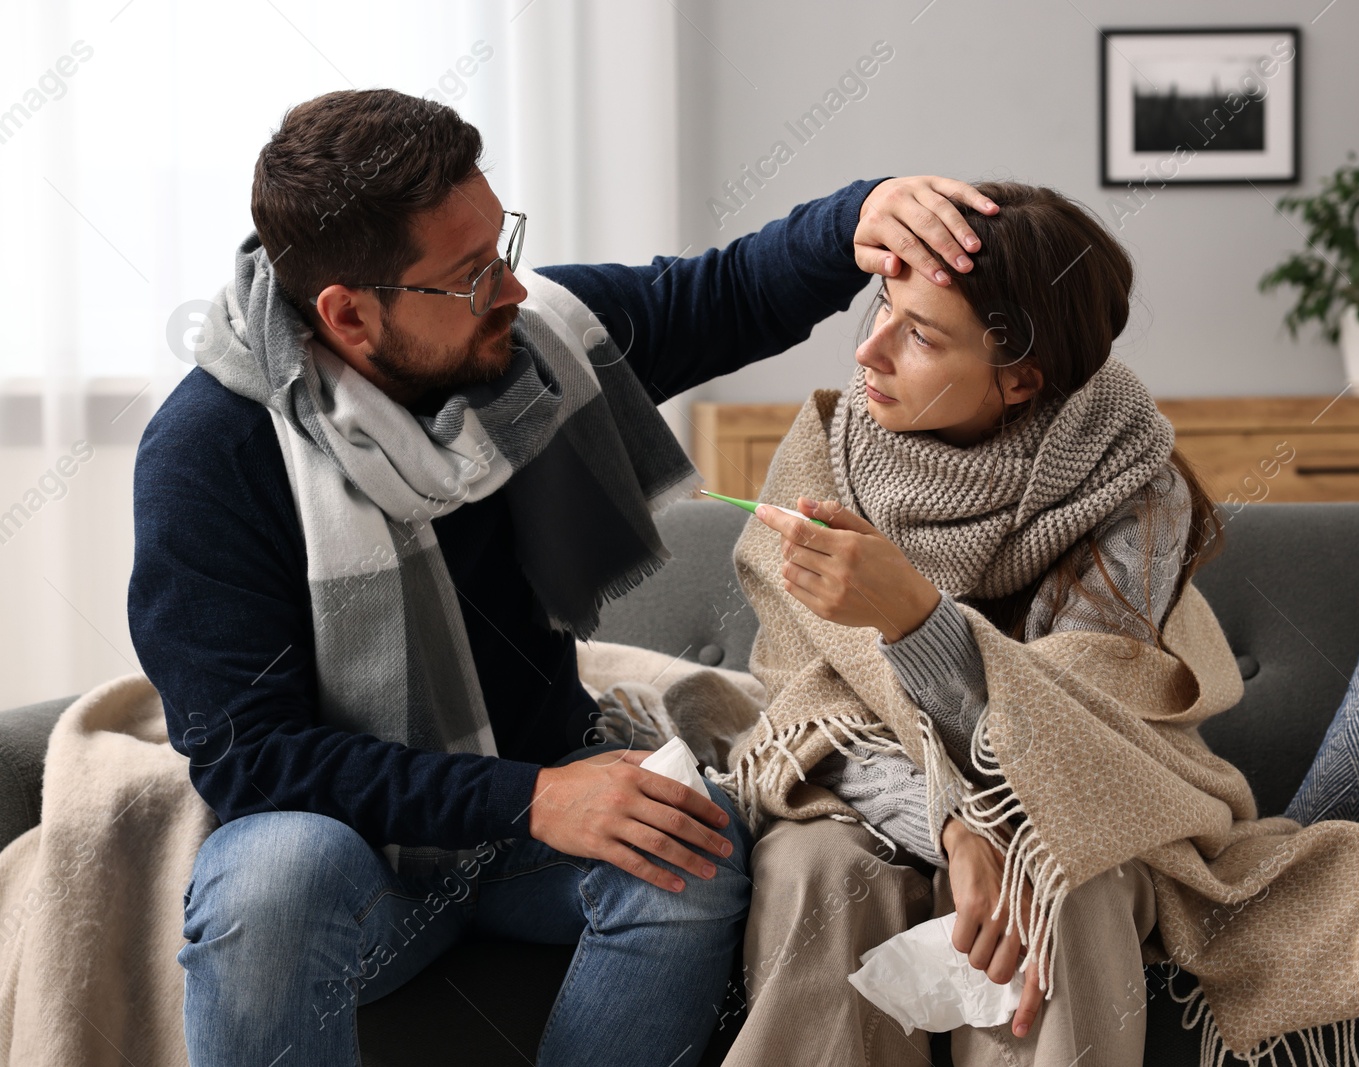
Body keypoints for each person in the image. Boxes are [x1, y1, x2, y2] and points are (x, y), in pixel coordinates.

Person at [127, 86, 993, 1067]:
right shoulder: (207, 455)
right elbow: (253, 759)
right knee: (272, 871)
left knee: (690, 840)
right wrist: (530, 798)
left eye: (504, 245)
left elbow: (720, 293)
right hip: (347, 850)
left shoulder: (530, 345)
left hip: (521, 832)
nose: (510, 287)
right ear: (348, 313)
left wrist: (862, 215)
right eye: (468, 275)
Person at [718, 180, 1220, 1067]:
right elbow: (808, 716)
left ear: (1020, 377)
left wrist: (914, 618)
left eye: (919, 334)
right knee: (817, 868)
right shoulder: (820, 457)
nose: (868, 351)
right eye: (883, 305)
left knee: (1061, 879)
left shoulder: (1135, 486)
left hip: (1087, 800)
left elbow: (1080, 743)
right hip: (875, 795)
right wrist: (951, 823)